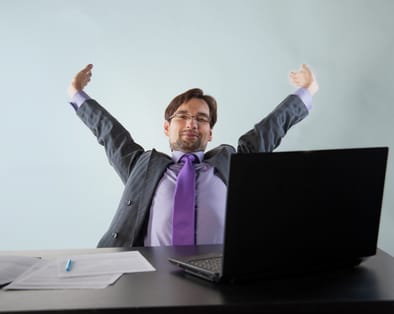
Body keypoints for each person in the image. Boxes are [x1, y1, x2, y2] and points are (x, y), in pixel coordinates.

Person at [68, 64, 319, 247]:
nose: (192, 123)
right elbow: (110, 132)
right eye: (183, 116)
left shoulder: (233, 163)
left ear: (210, 133)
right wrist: (76, 92)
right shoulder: (141, 167)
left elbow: (270, 128)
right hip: (150, 277)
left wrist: (307, 90)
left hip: (221, 277)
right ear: (167, 127)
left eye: (201, 119)